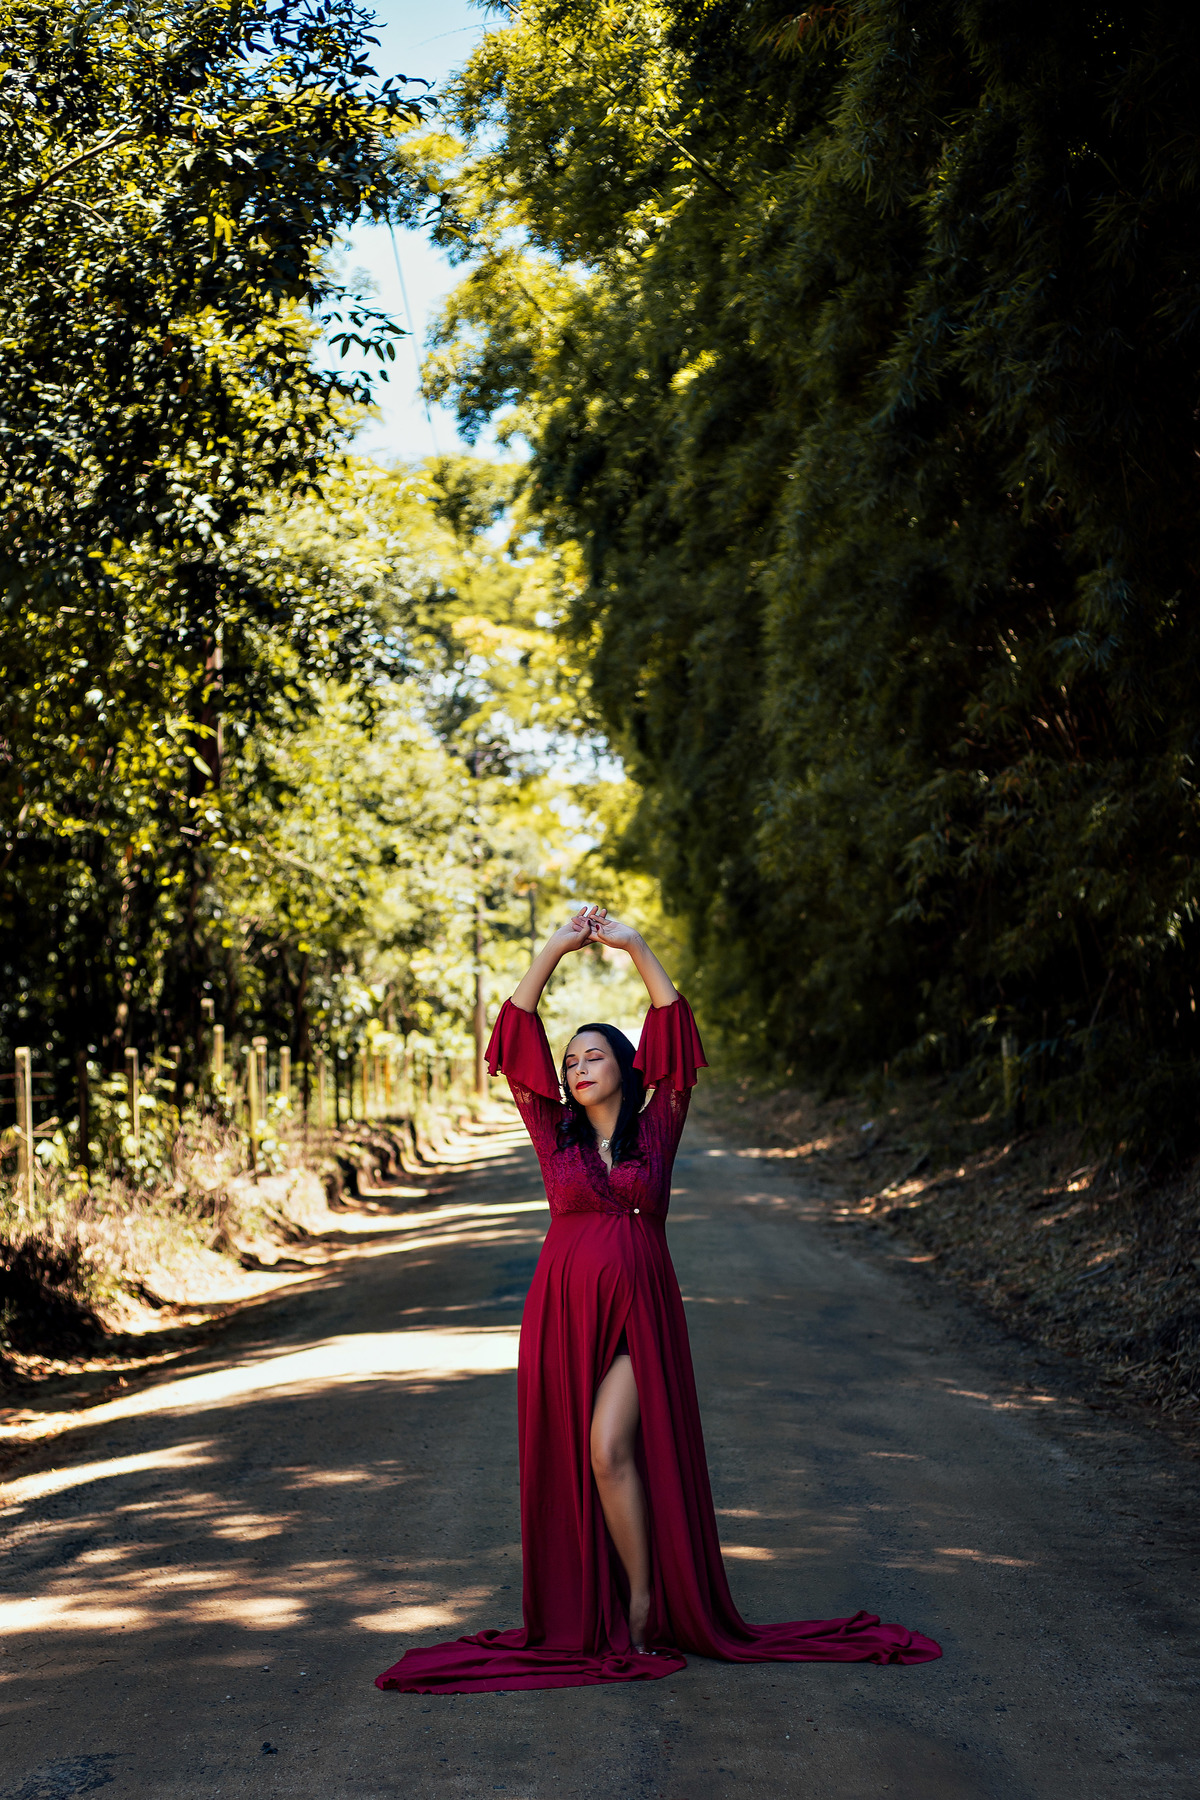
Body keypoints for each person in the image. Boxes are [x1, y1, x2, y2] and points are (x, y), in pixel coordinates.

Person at [376, 907, 940, 1693]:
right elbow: (513, 1035)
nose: (575, 1065)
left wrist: (632, 945)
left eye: (593, 1053)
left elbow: (674, 1026)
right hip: (562, 1311)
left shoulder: (659, 1128)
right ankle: (612, 1600)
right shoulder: (553, 1135)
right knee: (587, 1457)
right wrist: (554, 949)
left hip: (642, 1308)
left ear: (624, 1067)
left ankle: (643, 1603)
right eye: (570, 1058)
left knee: (611, 1448)